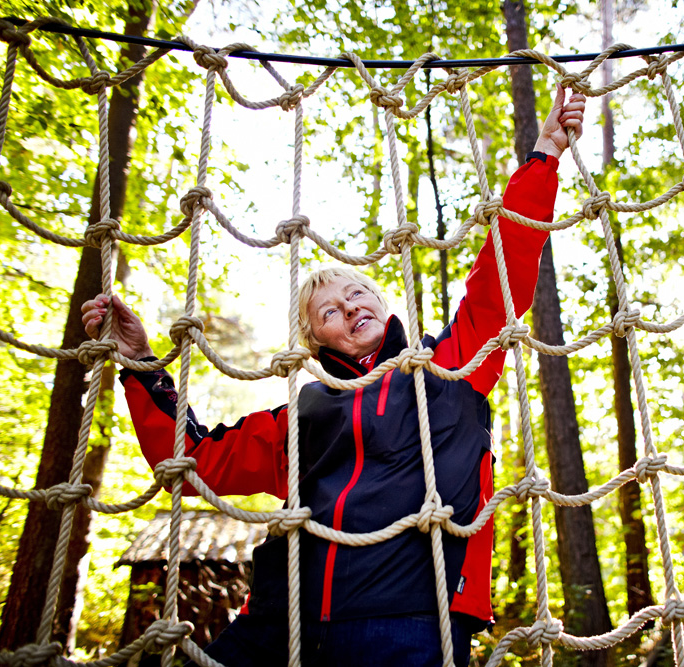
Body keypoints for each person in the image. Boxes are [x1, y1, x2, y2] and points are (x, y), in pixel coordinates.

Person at [82, 85, 585, 666]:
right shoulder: (308, 412)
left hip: (407, 618)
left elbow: (501, 272)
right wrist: (141, 363)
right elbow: (198, 462)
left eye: (356, 294)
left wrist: (544, 156)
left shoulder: (451, 364)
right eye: (329, 311)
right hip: (282, 618)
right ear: (316, 341)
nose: (348, 307)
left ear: (381, 303)